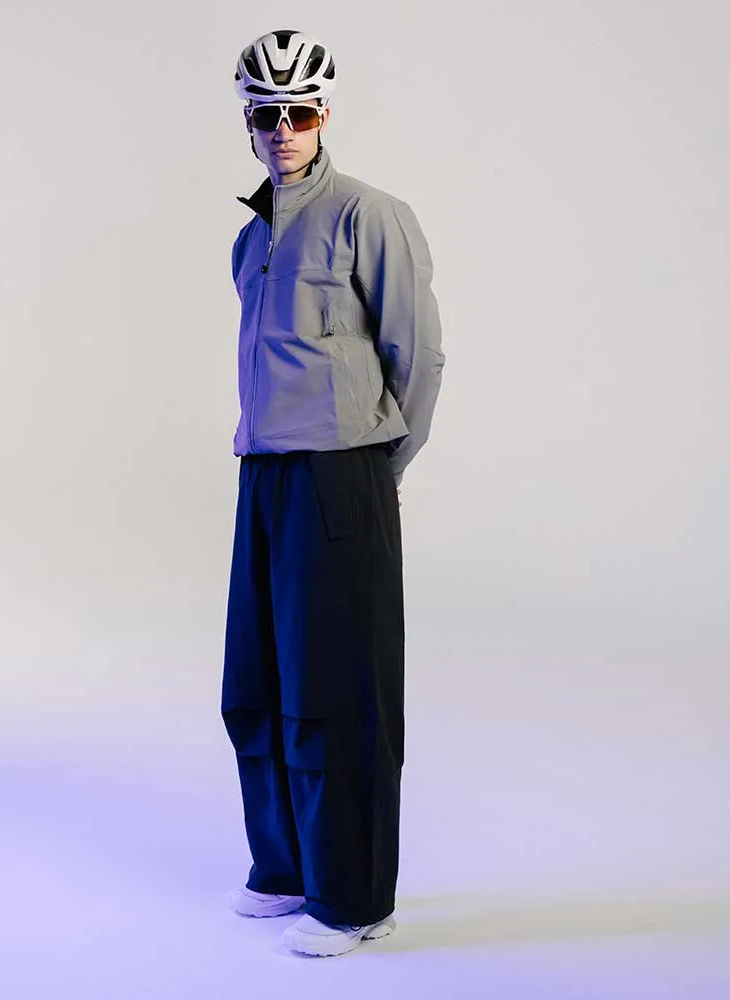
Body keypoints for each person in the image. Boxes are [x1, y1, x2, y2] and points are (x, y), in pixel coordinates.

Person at [220, 28, 445, 958]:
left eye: (300, 111)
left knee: (337, 690)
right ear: (248, 122)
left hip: (341, 472)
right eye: (267, 114)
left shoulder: (369, 214)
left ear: (324, 115)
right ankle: (286, 868)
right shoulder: (251, 237)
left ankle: (353, 899)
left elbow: (417, 355)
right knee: (256, 683)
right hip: (265, 472)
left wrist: (375, 471)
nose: (284, 129)